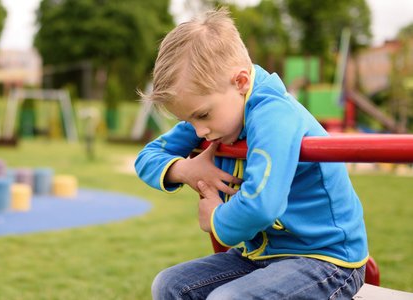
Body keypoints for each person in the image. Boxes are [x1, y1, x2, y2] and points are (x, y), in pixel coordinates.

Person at [134, 7, 367, 300]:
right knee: (169, 285)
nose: (198, 131)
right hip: (260, 255)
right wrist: (185, 170)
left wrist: (216, 219)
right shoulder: (211, 114)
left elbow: (262, 206)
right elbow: (147, 156)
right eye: (189, 121)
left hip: (326, 260)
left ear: (241, 82)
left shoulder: (274, 115)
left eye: (202, 115)